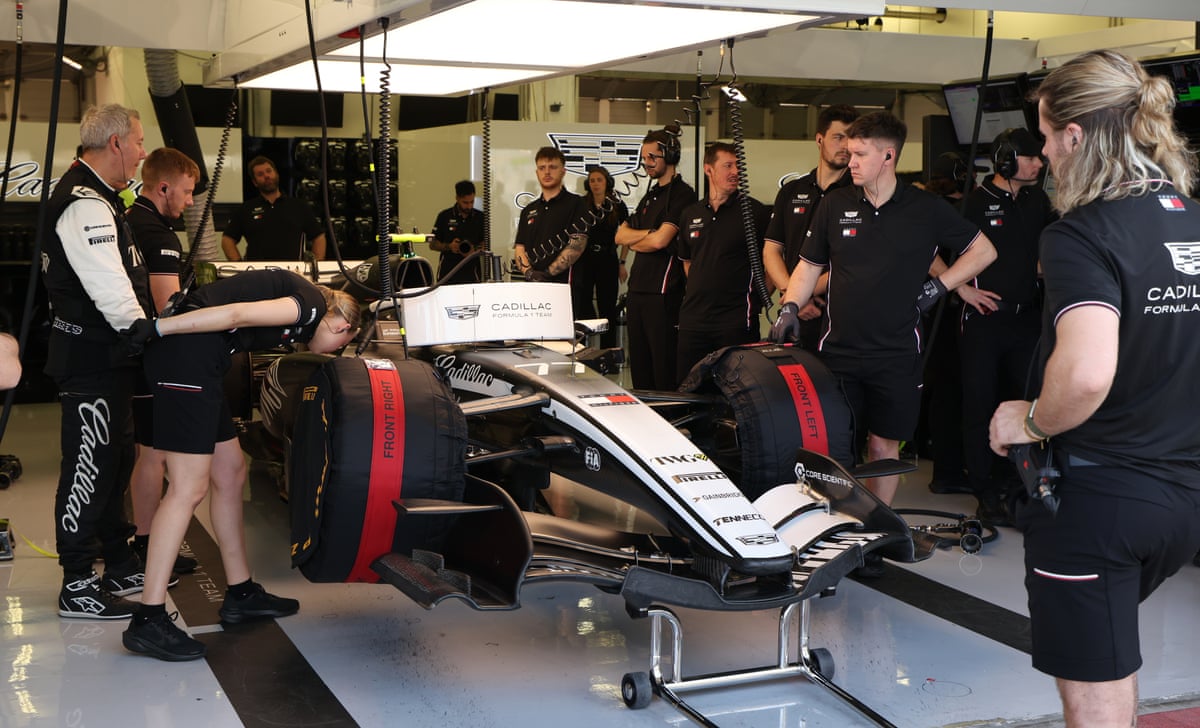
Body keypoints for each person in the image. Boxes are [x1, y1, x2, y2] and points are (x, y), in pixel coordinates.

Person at [988, 50, 1200, 728]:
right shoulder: (1191, 220)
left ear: (1077, 136)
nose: (1043, 152)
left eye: (1047, 135)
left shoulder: (1080, 234)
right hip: (1182, 500)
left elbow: (1084, 373)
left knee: (1098, 690)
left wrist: (1032, 422)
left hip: (1098, 503)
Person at [122, 269, 361, 661]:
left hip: (203, 364)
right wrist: (159, 328)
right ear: (343, 326)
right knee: (187, 488)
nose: (330, 353)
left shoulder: (303, 303)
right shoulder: (310, 305)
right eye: (339, 346)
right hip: (185, 361)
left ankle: (241, 593)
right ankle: (149, 618)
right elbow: (234, 315)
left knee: (231, 471)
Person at [771, 111, 996, 514]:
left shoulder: (925, 208)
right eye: (849, 152)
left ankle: (873, 523)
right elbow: (809, 266)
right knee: (835, 442)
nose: (850, 161)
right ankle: (832, 521)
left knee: (882, 444)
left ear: (888, 156)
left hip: (896, 354)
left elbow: (983, 251)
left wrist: (938, 286)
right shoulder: (835, 204)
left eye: (859, 154)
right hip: (836, 350)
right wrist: (789, 304)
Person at [42, 103, 153, 618]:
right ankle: (77, 582)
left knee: (116, 458)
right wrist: (142, 333)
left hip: (107, 357)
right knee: (89, 462)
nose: (142, 151)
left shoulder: (101, 197)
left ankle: (119, 557)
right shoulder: (84, 202)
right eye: (138, 141)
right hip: (91, 356)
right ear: (115, 144)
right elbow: (109, 286)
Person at [958, 128, 1056, 526]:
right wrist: (962, 288)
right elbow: (928, 252)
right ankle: (983, 490)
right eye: (1030, 157)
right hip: (983, 321)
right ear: (1005, 159)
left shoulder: (1038, 200)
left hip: (1027, 318)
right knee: (980, 404)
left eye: (1039, 157)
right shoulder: (974, 203)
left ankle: (1020, 485)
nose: (1038, 163)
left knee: (1026, 405)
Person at [126, 147, 202, 575]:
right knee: (153, 454)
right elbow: (167, 307)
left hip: (125, 353)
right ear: (164, 187)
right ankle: (148, 543)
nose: (189, 202)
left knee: (144, 452)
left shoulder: (127, 220)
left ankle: (144, 539)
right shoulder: (157, 234)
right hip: (149, 357)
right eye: (187, 193)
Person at [763, 104, 858, 352]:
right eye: (838, 137)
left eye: (851, 138)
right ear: (819, 139)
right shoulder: (792, 190)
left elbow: (855, 261)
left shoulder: (860, 195)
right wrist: (792, 297)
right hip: (795, 313)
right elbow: (771, 250)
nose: (846, 145)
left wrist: (800, 294)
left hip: (841, 316)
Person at [675, 143, 771, 383]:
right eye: (728, 165)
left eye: (738, 165)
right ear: (709, 170)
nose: (735, 171)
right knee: (689, 386)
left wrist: (757, 299)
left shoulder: (755, 212)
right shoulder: (691, 213)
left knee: (737, 390)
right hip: (693, 320)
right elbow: (687, 263)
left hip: (735, 321)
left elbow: (772, 262)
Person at [615, 127, 697, 390]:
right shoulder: (650, 196)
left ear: (671, 155)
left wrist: (644, 238)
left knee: (663, 368)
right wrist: (648, 236)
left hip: (663, 293)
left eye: (652, 157)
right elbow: (620, 235)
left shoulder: (684, 194)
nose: (647, 163)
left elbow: (661, 241)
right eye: (644, 158)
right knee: (639, 369)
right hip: (637, 290)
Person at [220, 156, 326, 262]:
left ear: (276, 174)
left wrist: (316, 267)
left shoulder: (298, 206)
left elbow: (319, 237)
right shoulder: (246, 209)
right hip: (257, 274)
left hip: (293, 273)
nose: (266, 176)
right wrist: (239, 267)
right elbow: (227, 240)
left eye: (269, 171)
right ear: (255, 182)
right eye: (260, 174)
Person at [571, 166, 628, 348]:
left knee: (608, 306)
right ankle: (585, 350)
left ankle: (608, 351)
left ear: (607, 182)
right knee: (584, 303)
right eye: (592, 180)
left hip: (608, 258)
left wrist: (622, 262)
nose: (595, 184)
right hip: (584, 259)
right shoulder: (581, 204)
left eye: (599, 180)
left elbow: (628, 234)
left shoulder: (617, 205)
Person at [513, 146, 588, 284]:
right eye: (542, 168)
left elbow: (577, 245)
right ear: (537, 173)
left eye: (552, 167)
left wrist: (547, 274)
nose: (547, 172)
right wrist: (529, 272)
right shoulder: (528, 210)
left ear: (563, 171)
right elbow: (520, 248)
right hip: (532, 286)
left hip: (565, 285)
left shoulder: (577, 203)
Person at [429, 180, 485, 284]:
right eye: (465, 202)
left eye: (472, 202)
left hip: (472, 274)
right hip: (447, 274)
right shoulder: (444, 216)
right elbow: (432, 244)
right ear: (457, 198)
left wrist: (474, 249)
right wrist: (449, 246)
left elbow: (487, 244)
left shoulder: (480, 218)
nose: (469, 206)